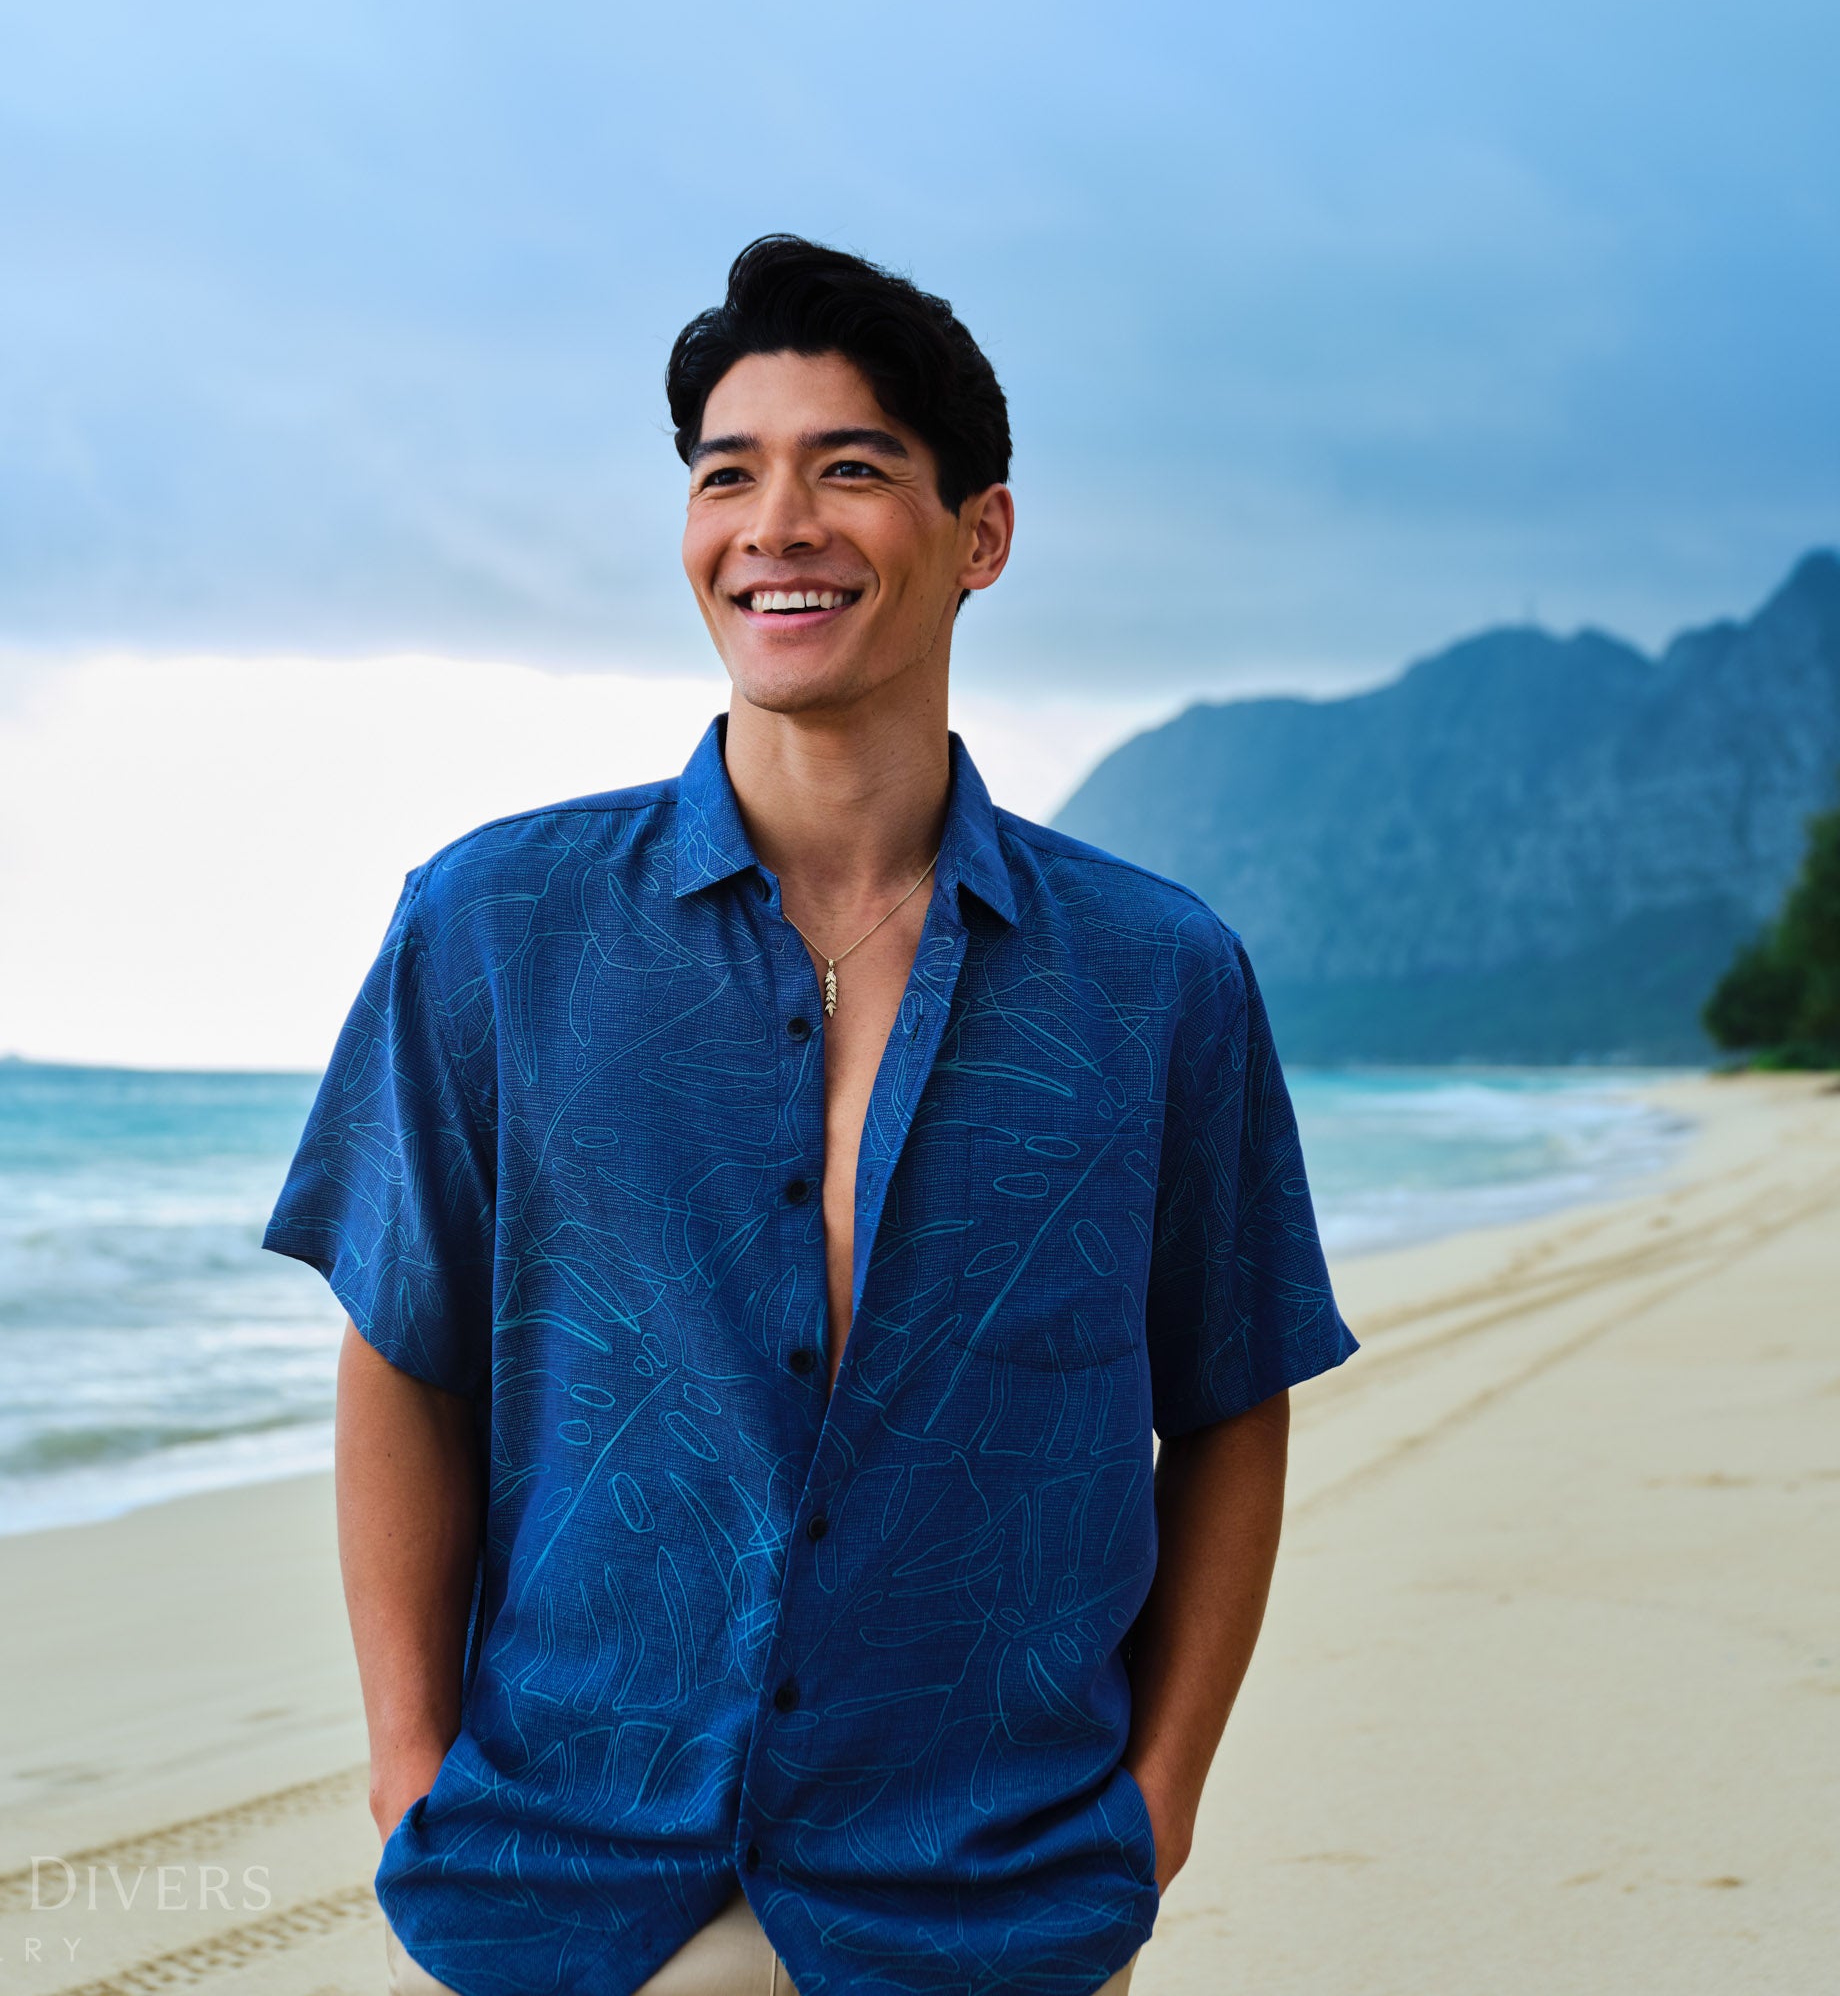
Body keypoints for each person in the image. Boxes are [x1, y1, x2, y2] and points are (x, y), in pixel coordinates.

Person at [265, 234, 1358, 1996]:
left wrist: (1157, 1806)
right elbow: (406, 1351)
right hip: (567, 1890)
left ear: (979, 535)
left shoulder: (1158, 979)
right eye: (727, 474)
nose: (776, 523)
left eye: (849, 468)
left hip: (988, 1899)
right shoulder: (495, 930)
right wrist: (410, 1771)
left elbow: (1230, 1400)